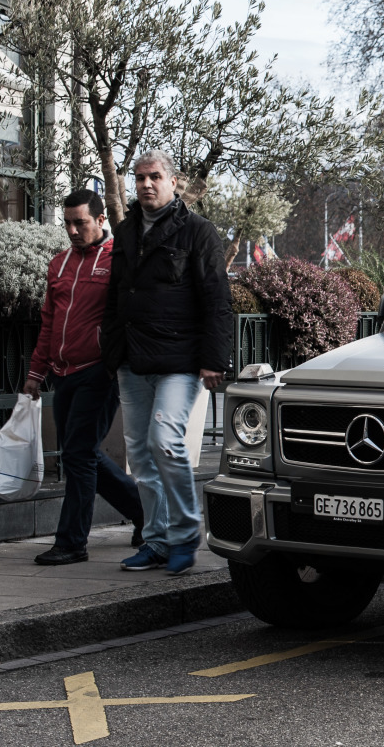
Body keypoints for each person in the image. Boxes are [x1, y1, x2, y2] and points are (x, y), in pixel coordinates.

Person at [102, 150, 233, 575]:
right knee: (140, 455)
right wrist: (111, 352)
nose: (145, 185)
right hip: (132, 359)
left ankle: (183, 532)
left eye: (154, 177)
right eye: (139, 178)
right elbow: (116, 297)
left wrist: (214, 359)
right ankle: (156, 541)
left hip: (180, 360)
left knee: (165, 441)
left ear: (173, 182)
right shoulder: (124, 232)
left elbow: (217, 301)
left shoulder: (199, 232)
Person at [27, 190, 145, 565]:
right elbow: (49, 322)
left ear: (100, 221)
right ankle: (145, 512)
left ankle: (72, 542)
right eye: (68, 223)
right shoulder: (58, 264)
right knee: (82, 454)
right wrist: (36, 371)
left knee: (77, 454)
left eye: (81, 222)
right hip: (63, 374)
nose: (73, 230)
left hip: (99, 371)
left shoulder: (117, 261)